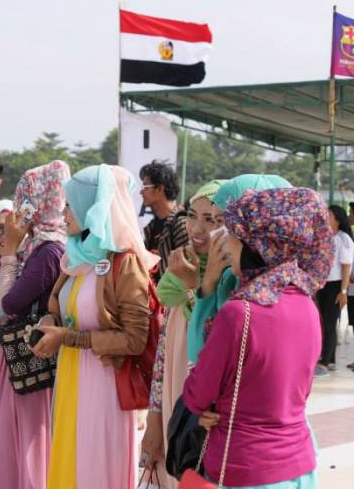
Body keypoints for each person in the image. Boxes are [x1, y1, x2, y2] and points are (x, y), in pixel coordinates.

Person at [183, 187, 329, 487]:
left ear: (256, 245)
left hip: (246, 467)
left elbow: (198, 393)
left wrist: (208, 407)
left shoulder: (239, 313)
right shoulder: (306, 303)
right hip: (300, 464)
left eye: (234, 236)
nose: (228, 245)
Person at [31, 164, 160, 489]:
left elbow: (134, 339)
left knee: (93, 470)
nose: (63, 212)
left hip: (105, 387)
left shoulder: (125, 262)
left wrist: (69, 337)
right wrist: (51, 323)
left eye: (70, 204)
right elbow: (64, 310)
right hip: (71, 378)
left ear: (93, 208)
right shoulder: (75, 257)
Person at [0, 161, 70, 489]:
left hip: (28, 362)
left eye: (23, 201)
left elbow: (9, 304)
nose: (17, 211)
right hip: (19, 360)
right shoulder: (41, 246)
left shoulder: (48, 251)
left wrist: (11, 253)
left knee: (28, 447)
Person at [140, 180, 226, 488]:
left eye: (212, 219)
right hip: (174, 400)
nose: (197, 228)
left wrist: (194, 288)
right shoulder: (180, 270)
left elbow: (216, 345)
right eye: (192, 216)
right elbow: (163, 354)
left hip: (207, 411)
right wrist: (153, 417)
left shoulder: (230, 281)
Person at [187, 174, 292, 366]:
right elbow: (196, 352)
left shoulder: (284, 287)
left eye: (222, 221)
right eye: (215, 222)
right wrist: (209, 281)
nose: (217, 233)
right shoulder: (228, 277)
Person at [316, 204, 353, 374]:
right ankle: (329, 358)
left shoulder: (344, 238)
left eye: (329, 215)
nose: (326, 218)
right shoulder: (329, 237)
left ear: (337, 219)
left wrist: (343, 291)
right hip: (324, 285)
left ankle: (325, 361)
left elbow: (346, 267)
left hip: (335, 286)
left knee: (330, 323)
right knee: (324, 322)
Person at [140, 161, 187, 282]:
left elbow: (187, 267)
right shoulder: (151, 226)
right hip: (153, 297)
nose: (141, 192)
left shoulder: (180, 222)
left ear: (160, 189)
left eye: (145, 187)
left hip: (171, 298)